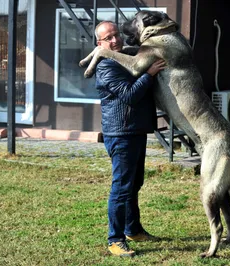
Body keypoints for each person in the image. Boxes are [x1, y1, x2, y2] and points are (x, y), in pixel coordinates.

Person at [94, 20, 165, 257]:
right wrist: (149, 74)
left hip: (135, 131)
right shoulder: (106, 66)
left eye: (116, 35)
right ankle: (115, 240)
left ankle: (133, 229)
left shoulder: (123, 58)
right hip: (120, 134)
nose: (115, 40)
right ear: (100, 43)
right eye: (108, 38)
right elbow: (129, 95)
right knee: (122, 188)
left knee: (135, 184)